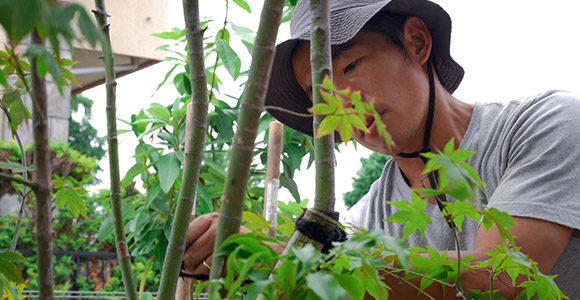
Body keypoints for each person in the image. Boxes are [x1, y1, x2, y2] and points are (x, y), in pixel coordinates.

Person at [183, 0, 580, 298]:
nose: (339, 103)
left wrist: (304, 259)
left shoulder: (547, 124)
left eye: (350, 66)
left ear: (417, 42)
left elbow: (503, 279)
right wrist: (251, 257)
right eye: (318, 93)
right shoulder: (371, 216)